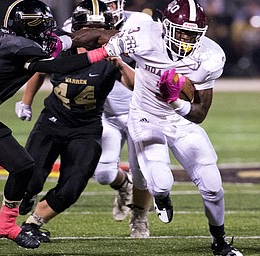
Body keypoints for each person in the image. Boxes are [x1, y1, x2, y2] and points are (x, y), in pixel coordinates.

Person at [0, 0, 135, 249]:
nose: (47, 32)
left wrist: (113, 38)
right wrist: (103, 51)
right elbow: (59, 65)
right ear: (27, 26)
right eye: (41, 27)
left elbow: (67, 40)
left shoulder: (7, 37)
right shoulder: (19, 47)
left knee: (23, 166)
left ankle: (6, 224)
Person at [119, 0, 243, 255]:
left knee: (212, 185)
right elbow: (105, 37)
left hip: (179, 121)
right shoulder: (146, 35)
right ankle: (160, 197)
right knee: (161, 183)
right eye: (182, 31)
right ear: (166, 26)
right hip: (146, 116)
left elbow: (199, 114)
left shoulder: (210, 55)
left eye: (193, 34)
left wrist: (175, 100)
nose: (186, 39)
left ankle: (219, 242)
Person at [14, 0, 135, 243]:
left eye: (100, 30)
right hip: (52, 121)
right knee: (31, 179)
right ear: (78, 28)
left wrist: (120, 63)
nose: (95, 35)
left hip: (86, 129)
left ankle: (34, 224)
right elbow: (40, 70)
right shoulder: (61, 46)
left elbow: (134, 85)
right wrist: (26, 102)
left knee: (72, 187)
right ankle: (28, 194)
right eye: (89, 28)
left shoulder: (112, 55)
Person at [93, 0, 152, 238]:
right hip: (107, 113)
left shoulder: (141, 23)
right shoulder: (80, 23)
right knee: (103, 174)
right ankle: (122, 185)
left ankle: (139, 217)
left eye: (110, 3)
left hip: (140, 112)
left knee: (143, 172)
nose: (107, 8)